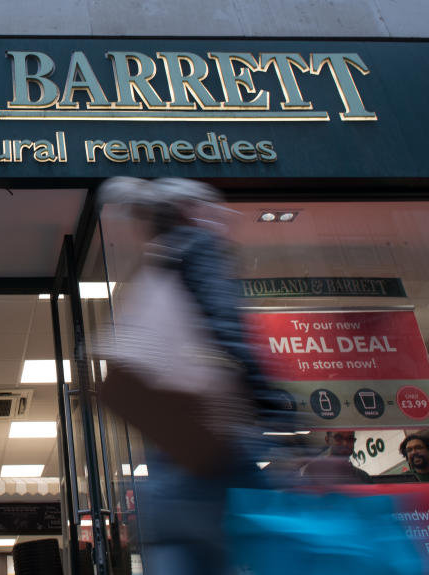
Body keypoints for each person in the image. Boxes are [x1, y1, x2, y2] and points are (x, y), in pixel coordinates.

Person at [96, 177, 270, 575]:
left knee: (179, 551)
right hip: (217, 445)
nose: (218, 220)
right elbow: (228, 333)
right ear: (189, 212)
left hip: (167, 462)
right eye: (210, 211)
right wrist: (278, 412)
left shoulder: (153, 269)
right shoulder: (200, 249)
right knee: (276, 545)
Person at [299, 430, 371, 483]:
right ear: (328, 440)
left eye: (350, 439)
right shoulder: (314, 470)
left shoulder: (363, 477)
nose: (345, 443)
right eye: (338, 438)